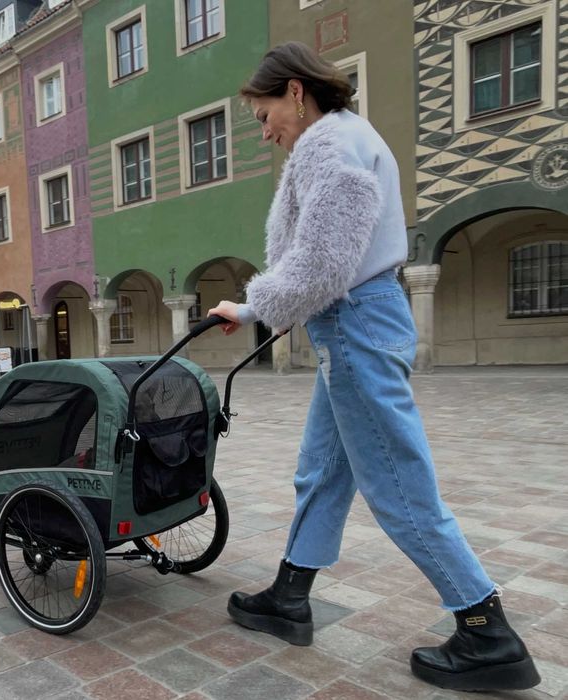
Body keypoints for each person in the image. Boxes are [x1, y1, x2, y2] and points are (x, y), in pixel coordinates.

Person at [206, 42, 539, 692]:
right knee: (322, 472)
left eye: (263, 112)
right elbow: (327, 260)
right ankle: (290, 594)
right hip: (357, 321)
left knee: (395, 483)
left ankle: (485, 629)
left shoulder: (329, 146)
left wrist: (247, 309)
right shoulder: (349, 137)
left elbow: (323, 262)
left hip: (355, 323)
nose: (264, 129)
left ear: (295, 91)